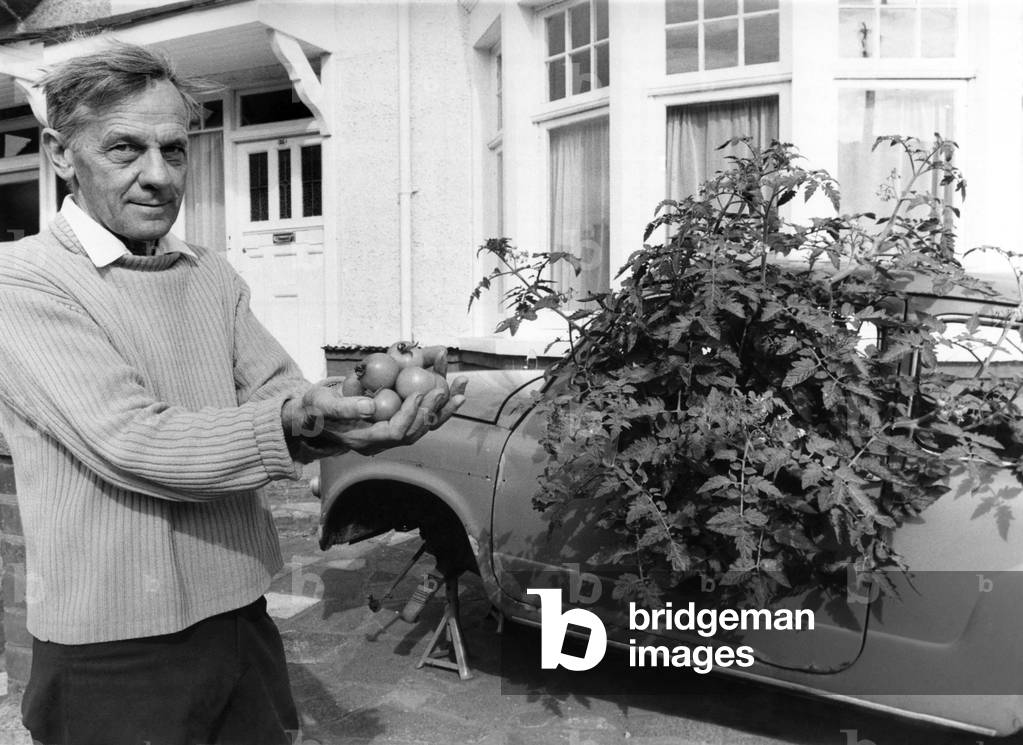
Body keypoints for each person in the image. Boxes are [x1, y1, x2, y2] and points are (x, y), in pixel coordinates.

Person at [0, 42, 466, 745]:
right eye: (125, 149)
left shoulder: (208, 272)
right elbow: (136, 442)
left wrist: (364, 402)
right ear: (62, 154)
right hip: (112, 645)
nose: (158, 176)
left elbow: (281, 392)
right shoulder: (24, 281)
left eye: (175, 150)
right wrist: (301, 420)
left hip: (239, 616)